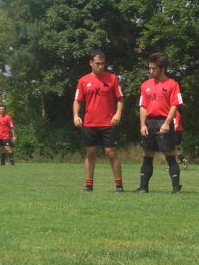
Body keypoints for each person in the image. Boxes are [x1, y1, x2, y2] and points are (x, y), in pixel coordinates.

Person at [73, 50, 125, 193]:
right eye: (97, 63)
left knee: (111, 153)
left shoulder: (112, 79)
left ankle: (119, 186)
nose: (100, 66)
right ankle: (89, 185)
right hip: (90, 123)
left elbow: (120, 99)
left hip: (108, 123)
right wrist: (76, 115)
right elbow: (77, 100)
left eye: (103, 63)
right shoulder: (83, 81)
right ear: (91, 63)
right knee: (90, 153)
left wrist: (118, 114)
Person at [136, 52, 184, 194]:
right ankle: (143, 188)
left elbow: (175, 105)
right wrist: (143, 124)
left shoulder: (172, 84)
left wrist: (167, 123)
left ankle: (175, 188)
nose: (151, 71)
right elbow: (143, 106)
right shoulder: (145, 85)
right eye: (149, 68)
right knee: (147, 154)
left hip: (164, 121)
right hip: (149, 123)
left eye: (154, 68)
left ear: (162, 69)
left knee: (170, 154)